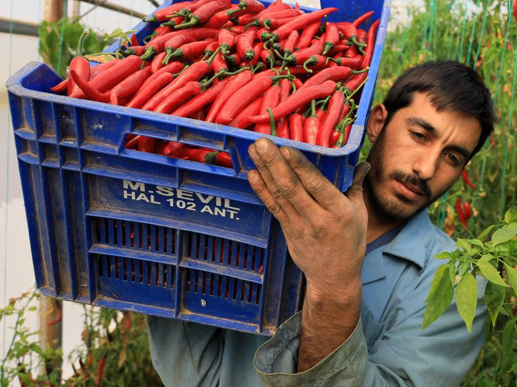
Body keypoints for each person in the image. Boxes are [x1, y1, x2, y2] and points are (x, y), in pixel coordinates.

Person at [147, 60, 495, 386]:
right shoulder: (273, 201)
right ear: (377, 123)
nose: (427, 169)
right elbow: (189, 370)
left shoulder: (453, 282)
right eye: (420, 135)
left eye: (452, 157)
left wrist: (335, 290)